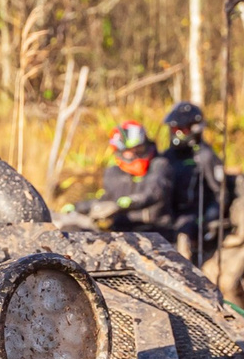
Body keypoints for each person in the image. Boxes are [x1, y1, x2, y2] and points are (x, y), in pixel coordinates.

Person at [83, 120, 193, 243]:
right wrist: (77, 208)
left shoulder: (160, 165)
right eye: (130, 151)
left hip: (158, 234)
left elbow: (154, 192)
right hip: (122, 235)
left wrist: (123, 204)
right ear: (120, 152)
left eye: (139, 148)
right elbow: (105, 200)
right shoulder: (112, 173)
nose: (136, 155)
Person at [161, 100, 225, 259]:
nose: (177, 133)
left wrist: (209, 219)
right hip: (169, 214)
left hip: (193, 215)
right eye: (174, 129)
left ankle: (183, 265)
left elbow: (220, 194)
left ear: (195, 129)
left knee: (183, 230)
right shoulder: (166, 156)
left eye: (181, 129)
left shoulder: (205, 156)